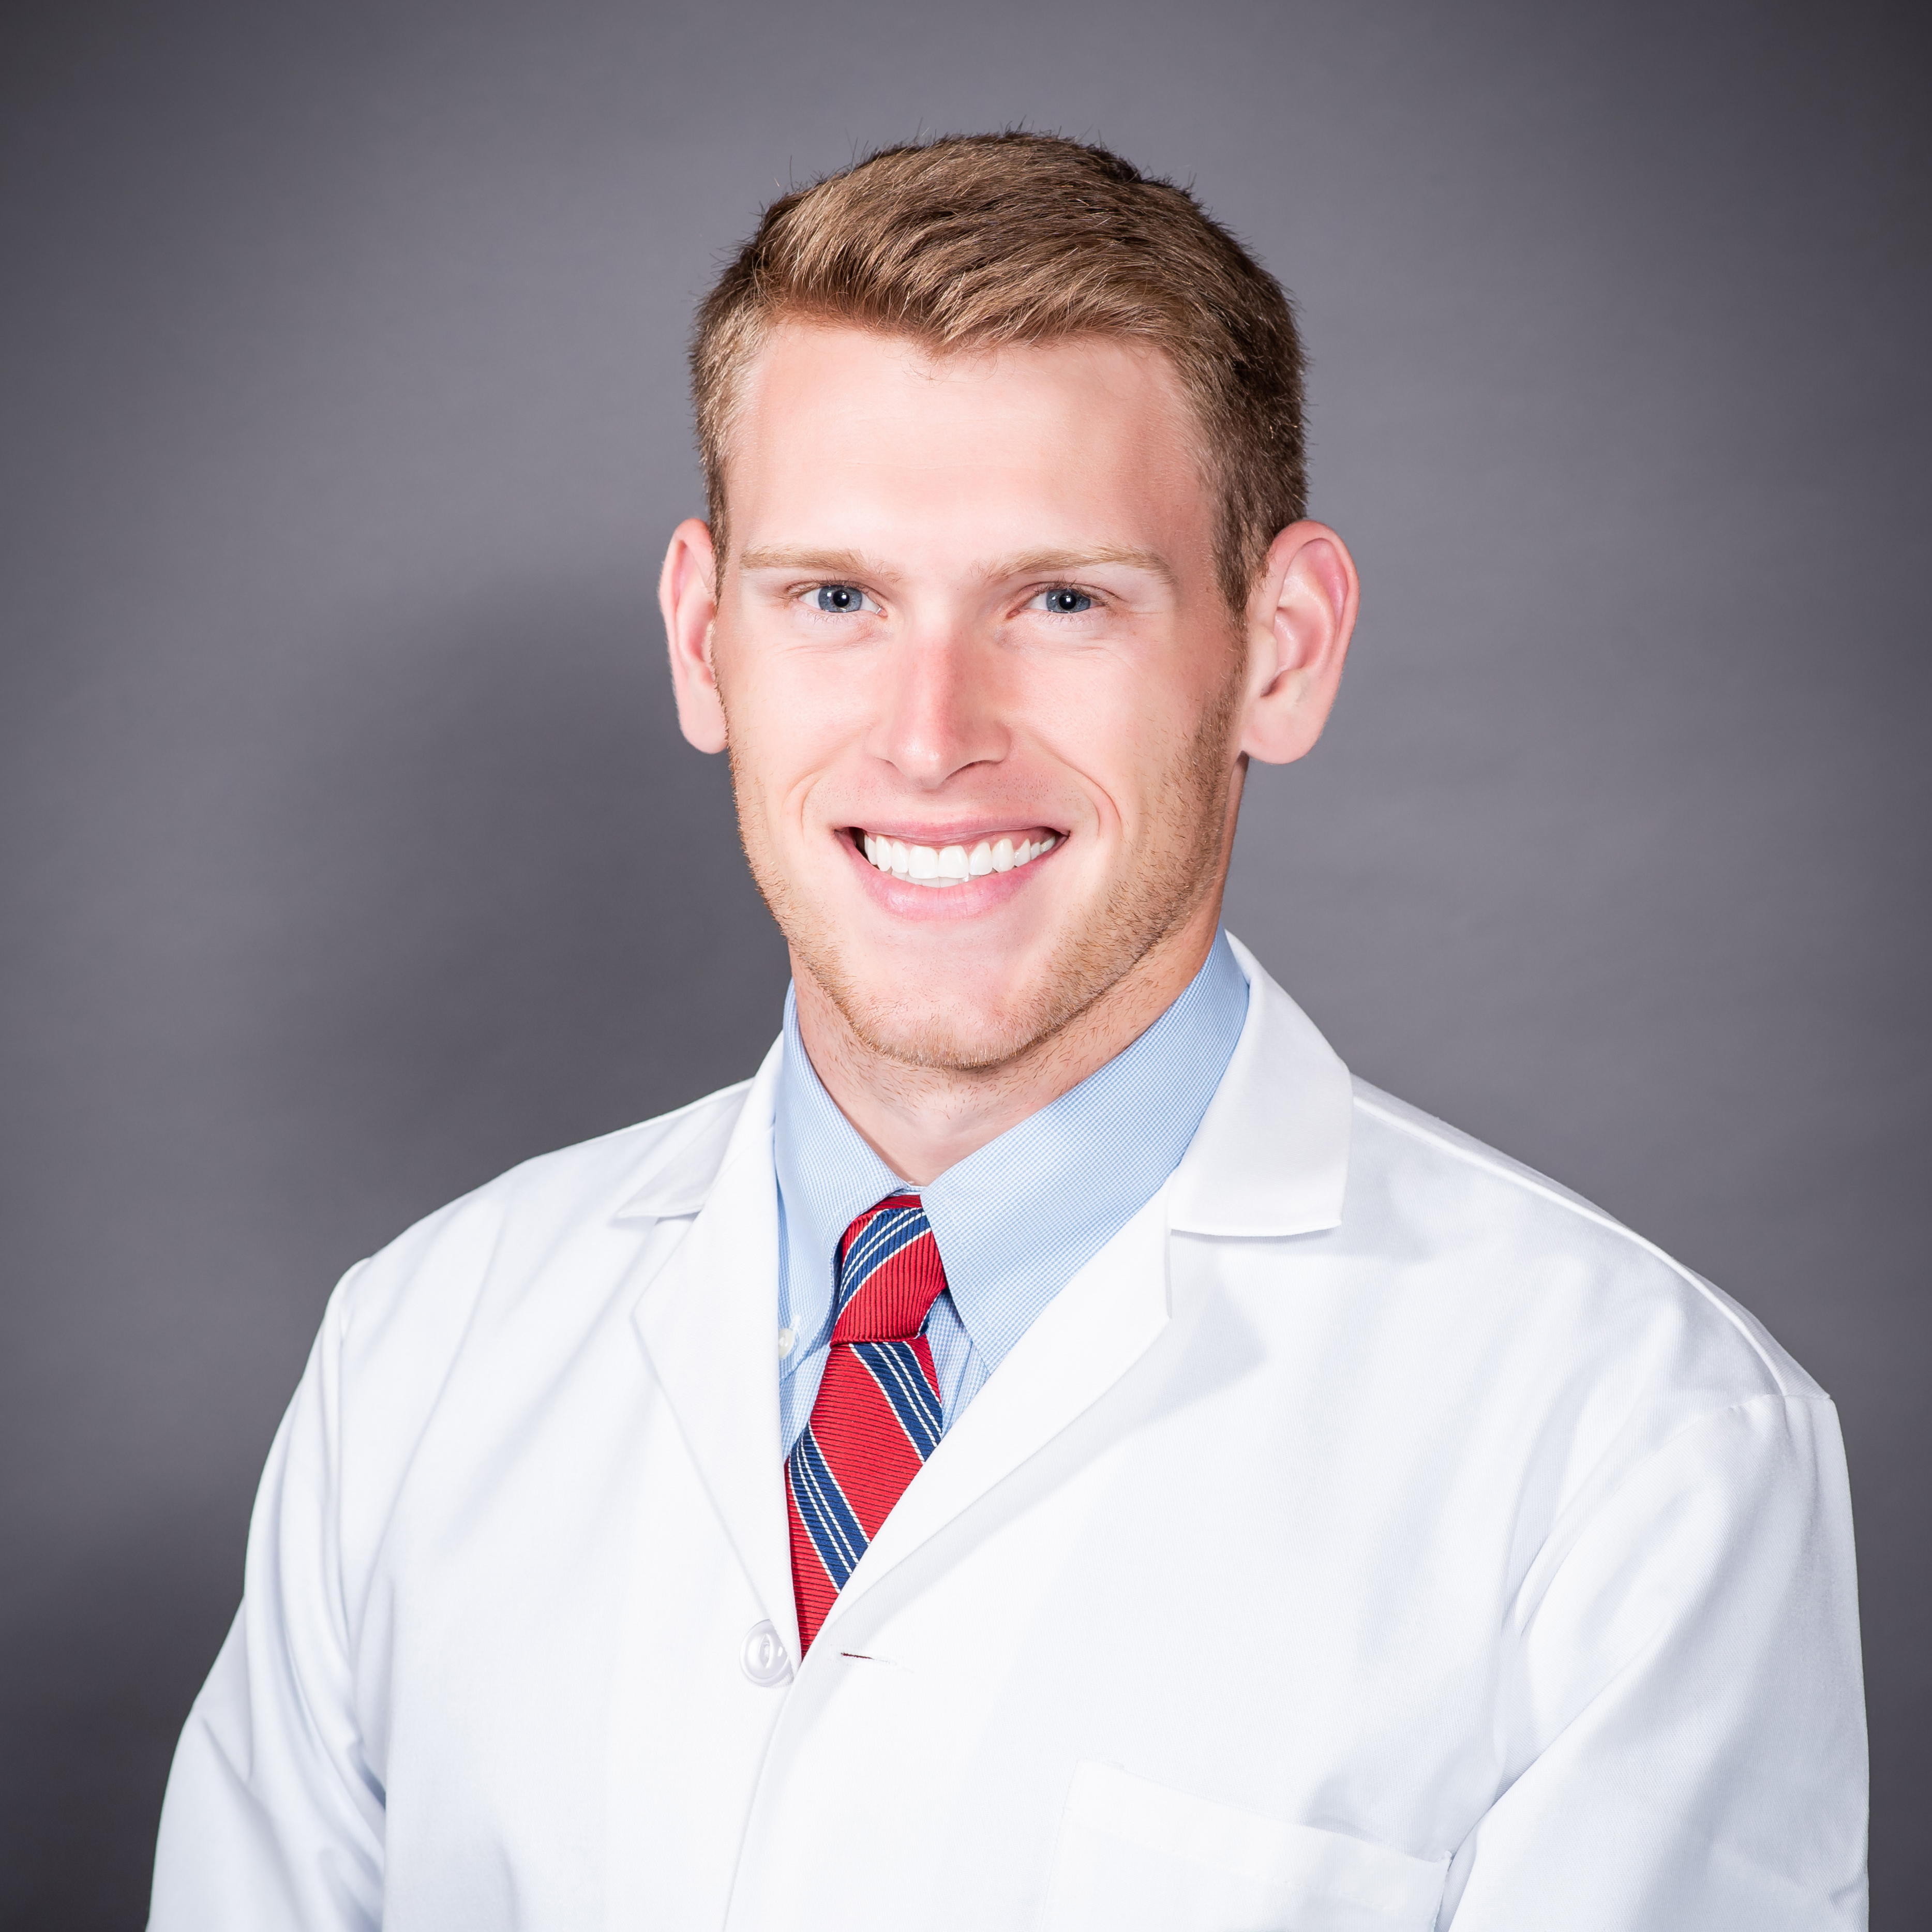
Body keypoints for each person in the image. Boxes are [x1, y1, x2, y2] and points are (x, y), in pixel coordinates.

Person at [147, 132, 1867, 1931]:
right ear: (702, 637)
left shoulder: (1637, 1452)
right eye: (835, 598)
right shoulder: (423, 1350)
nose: (931, 735)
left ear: (1280, 648)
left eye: (1062, 601)